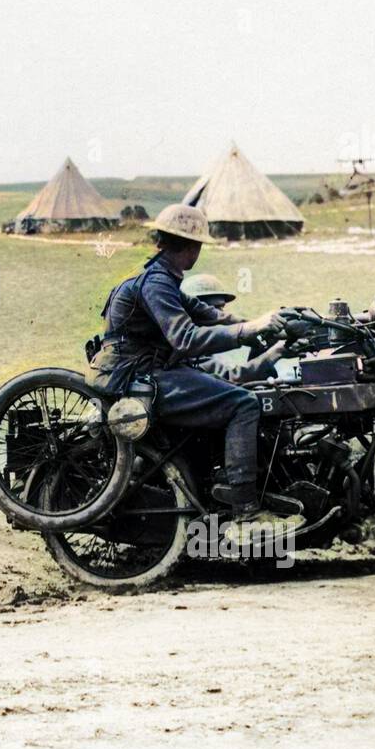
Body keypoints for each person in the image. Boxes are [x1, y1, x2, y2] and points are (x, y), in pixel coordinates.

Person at [87, 204, 295, 519]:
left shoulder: (160, 277)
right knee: (244, 403)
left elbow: (207, 313)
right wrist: (249, 330)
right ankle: (246, 510)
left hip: (140, 374)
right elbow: (186, 338)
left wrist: (259, 325)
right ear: (192, 247)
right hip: (140, 378)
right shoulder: (157, 283)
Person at [179, 272, 287, 383]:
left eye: (221, 307)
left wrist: (262, 345)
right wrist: (277, 352)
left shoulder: (210, 344)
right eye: (213, 309)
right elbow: (230, 379)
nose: (219, 315)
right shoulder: (186, 346)